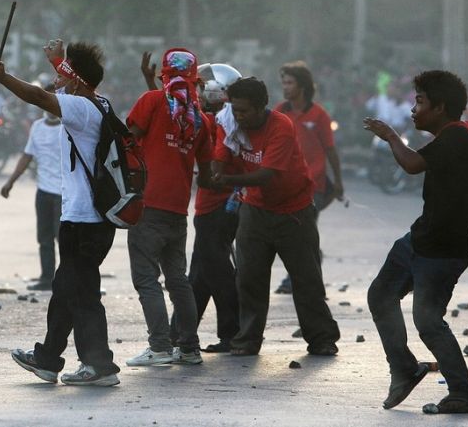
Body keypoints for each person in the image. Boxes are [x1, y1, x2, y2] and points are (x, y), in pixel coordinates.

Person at [0, 38, 121, 387]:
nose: (58, 81)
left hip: (83, 221)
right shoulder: (100, 103)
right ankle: (48, 360)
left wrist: (3, 78)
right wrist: (57, 61)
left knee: (82, 294)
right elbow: (65, 79)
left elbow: (36, 96)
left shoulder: (79, 108)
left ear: (76, 81)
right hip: (94, 219)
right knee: (66, 289)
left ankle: (100, 366)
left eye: (65, 75)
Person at [364, 70, 468, 414]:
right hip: (420, 239)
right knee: (381, 295)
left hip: (443, 249)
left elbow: (413, 164)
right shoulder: (453, 137)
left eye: (420, 102)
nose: (414, 110)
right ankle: (403, 368)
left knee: (428, 321)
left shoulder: (457, 137)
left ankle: (461, 393)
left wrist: (389, 135)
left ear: (441, 107)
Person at [211, 77, 340, 356]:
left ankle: (321, 338)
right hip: (255, 211)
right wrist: (219, 157)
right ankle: (247, 340)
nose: (239, 116)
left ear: (261, 108)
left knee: (306, 280)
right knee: (249, 279)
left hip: (294, 212)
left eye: (244, 111)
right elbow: (218, 160)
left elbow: (268, 175)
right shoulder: (231, 122)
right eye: (235, 110)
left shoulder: (280, 125)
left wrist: (227, 179)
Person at [141, 56, 243, 354]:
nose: (193, 92)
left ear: (215, 91)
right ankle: (182, 334)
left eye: (198, 87)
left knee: (216, 271)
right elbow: (171, 112)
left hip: (218, 207)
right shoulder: (218, 120)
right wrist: (153, 84)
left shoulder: (213, 122)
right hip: (211, 206)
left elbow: (174, 117)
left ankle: (231, 333)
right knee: (199, 275)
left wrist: (154, 87)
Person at [125, 48, 212, 367]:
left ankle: (160, 346)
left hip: (147, 205)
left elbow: (128, 139)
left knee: (146, 278)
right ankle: (188, 348)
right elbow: (207, 172)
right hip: (178, 209)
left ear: (164, 75)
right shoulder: (201, 120)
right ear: (195, 79)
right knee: (178, 280)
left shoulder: (150, 102)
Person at [274, 61, 344, 294]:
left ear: (302, 86)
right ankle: (304, 275)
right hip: (285, 184)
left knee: (302, 230)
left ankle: (298, 279)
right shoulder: (279, 112)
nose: (285, 87)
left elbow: (330, 150)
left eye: (290, 83)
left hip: (313, 183)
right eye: (283, 82)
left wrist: (339, 182)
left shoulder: (319, 115)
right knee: (294, 232)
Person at [1, 99, 63, 291]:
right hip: (43, 191)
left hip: (65, 193)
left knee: (64, 239)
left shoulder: (69, 127)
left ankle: (68, 279)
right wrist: (10, 182)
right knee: (44, 238)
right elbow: (27, 156)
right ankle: (47, 279)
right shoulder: (37, 127)